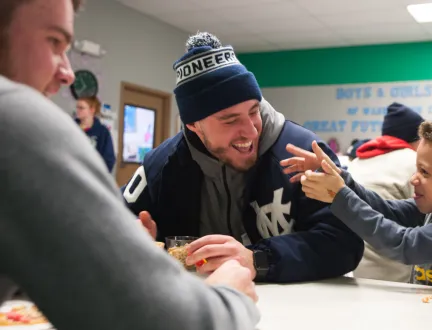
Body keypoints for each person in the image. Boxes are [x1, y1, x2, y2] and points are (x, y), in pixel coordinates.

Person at [0, 0, 260, 329]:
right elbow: (164, 320)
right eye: (53, 42)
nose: (67, 74)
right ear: (193, 124)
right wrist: (229, 292)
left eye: (254, 112)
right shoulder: (15, 118)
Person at [122, 32, 363, 283]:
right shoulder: (161, 167)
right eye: (230, 120)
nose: (251, 131)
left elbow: (346, 243)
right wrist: (132, 236)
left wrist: (258, 260)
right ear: (194, 125)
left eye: (253, 111)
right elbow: (114, 219)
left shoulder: (305, 154)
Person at [282, 116, 432, 290]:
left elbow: (403, 244)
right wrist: (340, 178)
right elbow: (387, 210)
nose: (414, 179)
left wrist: (339, 196)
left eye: (424, 172)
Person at [346, 103, 423, 282]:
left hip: (354, 271)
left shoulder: (357, 161)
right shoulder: (413, 161)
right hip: (397, 277)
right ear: (415, 138)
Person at [75, 96, 116, 172]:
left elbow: (109, 160)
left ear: (92, 110)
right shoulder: (71, 126)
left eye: (81, 108)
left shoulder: (103, 132)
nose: (78, 110)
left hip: (91, 177)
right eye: (77, 107)